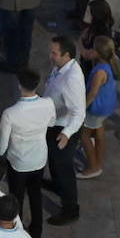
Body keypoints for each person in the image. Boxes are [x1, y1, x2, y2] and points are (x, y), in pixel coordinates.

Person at [0, 71, 56, 238]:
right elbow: (51, 123)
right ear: (37, 85)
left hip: (18, 162)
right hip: (39, 159)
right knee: (36, 195)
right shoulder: (48, 104)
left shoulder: (10, 113)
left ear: (20, 85)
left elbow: (2, 143)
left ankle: (17, 232)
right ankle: (37, 233)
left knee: (16, 198)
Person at [42, 36, 87, 226]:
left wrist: (67, 133)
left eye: (54, 53)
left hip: (65, 127)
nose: (50, 56)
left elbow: (79, 112)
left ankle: (70, 209)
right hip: (55, 122)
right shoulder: (61, 67)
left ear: (66, 55)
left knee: (64, 167)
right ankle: (57, 184)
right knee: (53, 159)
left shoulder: (73, 79)